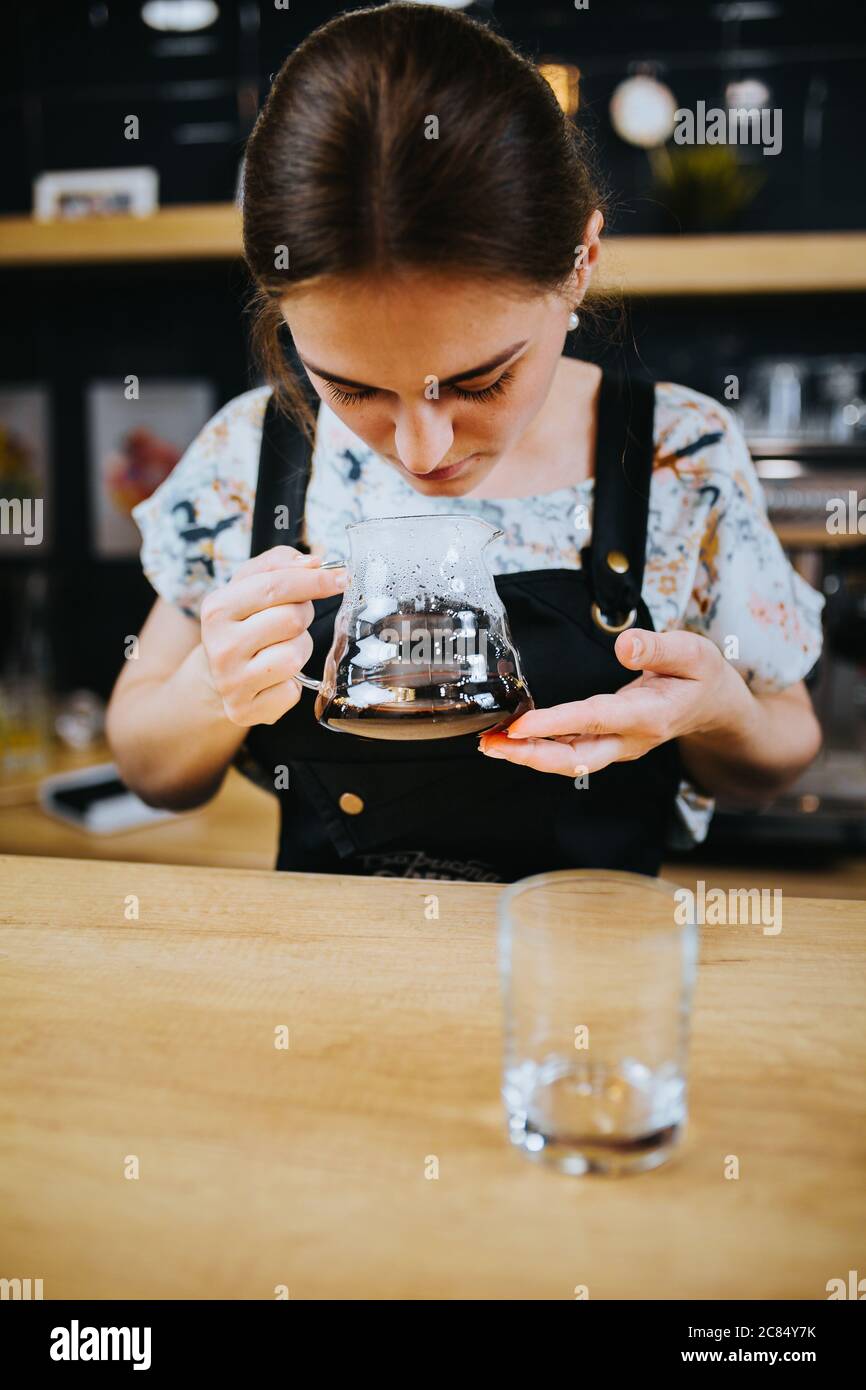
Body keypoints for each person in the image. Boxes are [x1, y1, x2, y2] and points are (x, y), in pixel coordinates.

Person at [106, 2, 823, 883]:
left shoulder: (681, 453)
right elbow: (148, 769)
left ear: (579, 263)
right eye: (353, 388)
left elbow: (783, 748)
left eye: (482, 381)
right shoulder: (252, 456)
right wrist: (209, 693)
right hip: (322, 993)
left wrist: (720, 713)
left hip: (582, 989)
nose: (421, 448)